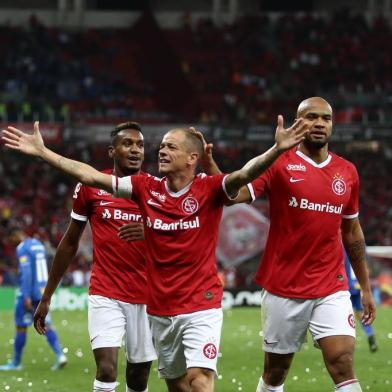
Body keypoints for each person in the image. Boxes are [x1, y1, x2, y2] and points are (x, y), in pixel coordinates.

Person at [2, 116, 308, 392]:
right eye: (161, 146)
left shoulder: (209, 188)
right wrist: (44, 153)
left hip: (199, 304)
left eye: (169, 147)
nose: (160, 151)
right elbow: (91, 177)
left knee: (199, 381)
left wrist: (277, 150)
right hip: (157, 307)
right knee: (167, 383)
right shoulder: (145, 188)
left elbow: (242, 175)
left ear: (192, 158)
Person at [227, 97, 376, 392]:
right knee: (275, 373)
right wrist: (274, 150)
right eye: (310, 117)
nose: (319, 123)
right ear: (297, 122)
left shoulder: (347, 172)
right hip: (284, 286)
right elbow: (234, 194)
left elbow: (352, 231)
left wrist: (366, 287)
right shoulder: (278, 163)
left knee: (342, 362)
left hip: (331, 285)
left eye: (325, 118)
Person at [33, 122, 157, 392]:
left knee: (138, 378)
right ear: (112, 151)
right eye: (128, 144)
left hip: (148, 296)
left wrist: (150, 231)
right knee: (106, 369)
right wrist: (47, 296)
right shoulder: (90, 188)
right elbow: (69, 244)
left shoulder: (154, 190)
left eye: (140, 145)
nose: (135, 150)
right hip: (106, 291)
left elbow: (180, 237)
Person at [0, 228, 67, 371]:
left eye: (11, 240)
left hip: (30, 292)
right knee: (45, 323)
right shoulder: (38, 244)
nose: (11, 244)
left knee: (21, 326)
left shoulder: (22, 248)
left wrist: (25, 295)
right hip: (42, 291)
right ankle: (60, 355)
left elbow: (27, 272)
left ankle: (16, 363)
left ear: (16, 236)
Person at [344, 250, 378, 353]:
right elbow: (366, 265)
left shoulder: (340, 245)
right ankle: (369, 333)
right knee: (360, 312)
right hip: (357, 284)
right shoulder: (357, 244)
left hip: (345, 285)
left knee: (343, 314)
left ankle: (343, 342)